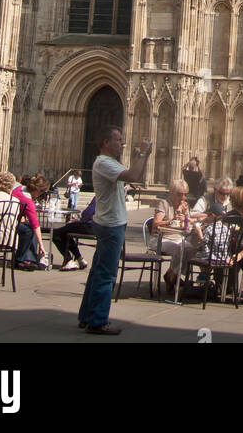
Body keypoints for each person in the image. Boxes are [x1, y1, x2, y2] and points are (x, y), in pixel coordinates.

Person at [77, 128, 152, 335]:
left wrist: (142, 156)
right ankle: (98, 321)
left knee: (96, 272)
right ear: (105, 142)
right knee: (106, 274)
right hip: (110, 225)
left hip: (109, 222)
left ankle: (87, 316)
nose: (122, 143)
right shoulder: (104, 162)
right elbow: (134, 175)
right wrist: (143, 154)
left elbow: (134, 175)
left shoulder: (111, 163)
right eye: (118, 140)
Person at [153, 179, 200, 299]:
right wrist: (172, 219)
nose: (183, 197)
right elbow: (156, 223)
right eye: (180, 194)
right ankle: (174, 276)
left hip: (178, 237)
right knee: (181, 248)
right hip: (162, 238)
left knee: (192, 248)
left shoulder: (184, 205)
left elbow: (186, 224)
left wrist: (186, 216)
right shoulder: (164, 203)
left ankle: (171, 274)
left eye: (185, 194)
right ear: (172, 193)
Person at [12, 175, 48, 269]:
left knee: (28, 227)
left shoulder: (20, 188)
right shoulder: (27, 201)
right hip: (10, 222)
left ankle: (30, 257)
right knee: (29, 230)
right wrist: (41, 245)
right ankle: (20, 259)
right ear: (37, 191)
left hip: (8, 218)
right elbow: (35, 224)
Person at [53, 195, 96, 270]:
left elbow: (87, 213)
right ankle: (79, 259)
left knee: (56, 233)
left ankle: (69, 260)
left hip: (90, 226)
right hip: (101, 228)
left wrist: (81, 220)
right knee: (66, 231)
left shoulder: (101, 195)